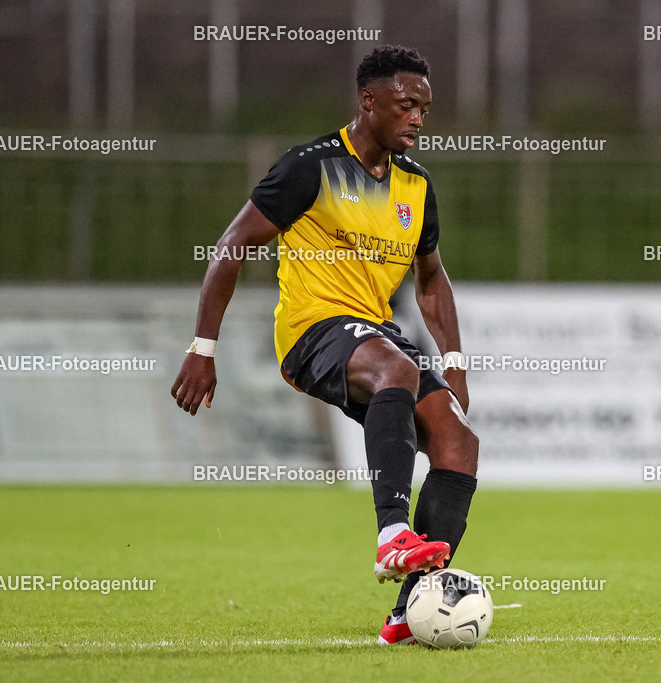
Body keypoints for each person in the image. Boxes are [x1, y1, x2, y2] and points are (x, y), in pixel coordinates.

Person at [170, 45, 479, 645]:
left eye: (425, 108)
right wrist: (203, 347)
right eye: (406, 104)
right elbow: (232, 244)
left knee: (457, 440)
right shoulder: (311, 167)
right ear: (369, 102)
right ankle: (394, 533)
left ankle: (412, 613)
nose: (418, 117)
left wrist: (455, 359)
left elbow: (432, 277)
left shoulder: (415, 186)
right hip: (311, 331)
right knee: (395, 369)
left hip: (373, 332)